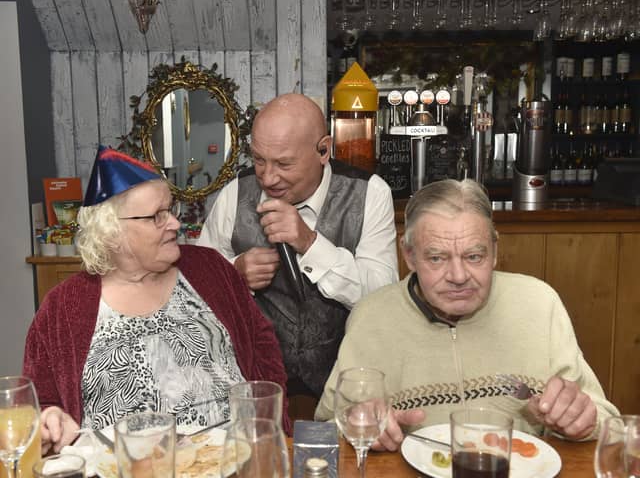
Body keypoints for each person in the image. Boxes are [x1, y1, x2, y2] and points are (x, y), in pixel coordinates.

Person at [315, 178, 619, 450]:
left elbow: (608, 422)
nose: (458, 275)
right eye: (437, 258)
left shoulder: (540, 303)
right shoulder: (372, 317)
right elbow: (326, 430)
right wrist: (357, 424)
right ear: (409, 255)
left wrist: (584, 420)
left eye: (474, 256)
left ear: (495, 251)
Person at [23, 146, 289, 454]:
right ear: (112, 233)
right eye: (156, 217)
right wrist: (49, 420)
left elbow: (262, 347)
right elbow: (42, 404)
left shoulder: (210, 268)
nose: (174, 224)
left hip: (235, 458)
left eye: (170, 210)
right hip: (120, 468)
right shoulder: (63, 307)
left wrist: (271, 426)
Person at [197, 93, 398, 399]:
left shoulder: (370, 193)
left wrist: (310, 242)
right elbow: (196, 295)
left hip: (347, 387)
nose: (267, 177)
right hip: (259, 389)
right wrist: (234, 275)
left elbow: (384, 298)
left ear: (323, 150)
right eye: (259, 159)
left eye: (284, 163)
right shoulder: (235, 193)